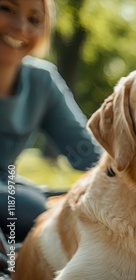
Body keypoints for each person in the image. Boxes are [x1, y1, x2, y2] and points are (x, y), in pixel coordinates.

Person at [0, 0, 101, 244]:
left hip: (10, 190)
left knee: (85, 203)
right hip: (17, 203)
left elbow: (89, 154)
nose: (21, 27)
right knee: (30, 208)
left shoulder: (42, 81)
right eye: (7, 9)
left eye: (34, 20)